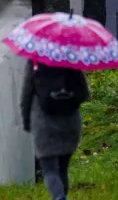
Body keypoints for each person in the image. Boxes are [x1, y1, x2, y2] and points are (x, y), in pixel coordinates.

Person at [21, 60, 90, 200]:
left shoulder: (35, 60)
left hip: (43, 123)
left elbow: (26, 94)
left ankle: (59, 197)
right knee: (62, 169)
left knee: (50, 170)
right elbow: (84, 94)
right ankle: (61, 196)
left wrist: (27, 122)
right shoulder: (71, 59)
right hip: (70, 123)